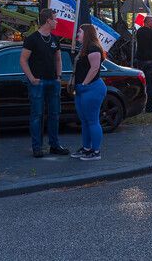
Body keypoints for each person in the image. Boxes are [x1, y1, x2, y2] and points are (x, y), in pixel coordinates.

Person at [20, 8, 70, 158]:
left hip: (53, 81)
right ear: (48, 20)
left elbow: (58, 59)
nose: (57, 21)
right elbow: (23, 60)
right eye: (55, 19)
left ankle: (54, 145)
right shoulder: (32, 39)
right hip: (38, 82)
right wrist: (31, 78)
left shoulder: (55, 39)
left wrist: (59, 76)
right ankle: (37, 147)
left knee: (54, 114)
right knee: (37, 115)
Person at [70, 24, 107, 161]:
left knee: (92, 121)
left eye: (80, 31)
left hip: (92, 88)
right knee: (85, 121)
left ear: (86, 33)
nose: (77, 33)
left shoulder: (93, 48)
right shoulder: (84, 48)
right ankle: (86, 148)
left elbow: (95, 68)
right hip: (83, 89)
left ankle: (95, 151)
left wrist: (84, 84)